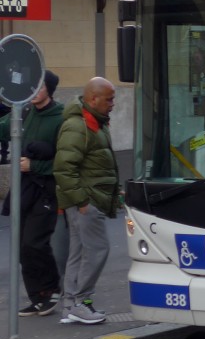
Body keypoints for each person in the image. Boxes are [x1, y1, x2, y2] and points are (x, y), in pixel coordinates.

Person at [54, 77, 120, 325]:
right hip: (86, 202)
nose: (113, 103)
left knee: (79, 253)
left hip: (85, 201)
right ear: (93, 99)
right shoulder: (80, 125)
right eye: (109, 99)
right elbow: (63, 169)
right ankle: (81, 302)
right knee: (97, 251)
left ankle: (71, 305)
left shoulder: (94, 122)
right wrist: (82, 202)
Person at [1, 71, 64, 317]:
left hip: (47, 191)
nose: (34, 91)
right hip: (24, 189)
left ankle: (52, 290)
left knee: (34, 242)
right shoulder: (24, 112)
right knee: (20, 246)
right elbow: (3, 128)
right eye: (32, 87)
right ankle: (37, 297)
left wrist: (35, 166)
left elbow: (66, 161)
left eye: (39, 87)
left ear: (49, 89)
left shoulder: (60, 117)